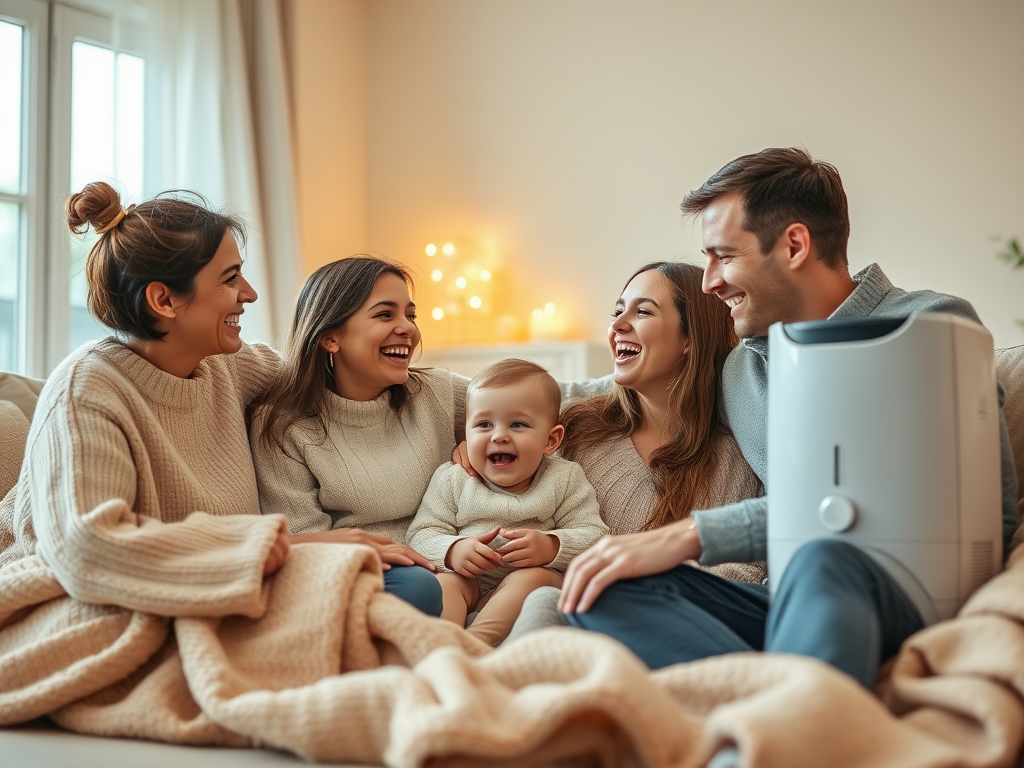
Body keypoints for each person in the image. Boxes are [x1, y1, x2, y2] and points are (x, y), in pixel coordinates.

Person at [558, 148, 1021, 694]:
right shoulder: (739, 369)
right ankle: (790, 704)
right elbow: (633, 385)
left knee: (824, 555)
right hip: (783, 607)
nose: (709, 282)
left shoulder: (928, 327)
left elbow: (886, 508)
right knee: (599, 586)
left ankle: (786, 717)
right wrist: (507, 417)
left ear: (795, 245)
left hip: (903, 595)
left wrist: (693, 535)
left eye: (723, 256)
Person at [0, 180, 289, 640]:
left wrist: (451, 419)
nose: (249, 294)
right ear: (163, 300)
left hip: (203, 586)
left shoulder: (226, 367)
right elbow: (87, 550)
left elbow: (327, 375)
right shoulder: (85, 390)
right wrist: (260, 546)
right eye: (231, 278)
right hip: (61, 607)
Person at [505, 262, 764, 642]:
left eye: (642, 311)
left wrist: (645, 582)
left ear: (691, 338)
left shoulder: (737, 454)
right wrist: (477, 449)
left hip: (674, 627)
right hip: (572, 624)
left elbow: (743, 574)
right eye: (617, 311)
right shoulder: (574, 431)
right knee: (545, 600)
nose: (618, 325)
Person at [407, 359, 608, 646]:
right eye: (484, 424)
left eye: (517, 424)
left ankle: (476, 644)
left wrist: (551, 546)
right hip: (472, 584)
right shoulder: (453, 479)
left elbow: (595, 535)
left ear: (550, 440)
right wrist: (453, 551)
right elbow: (420, 534)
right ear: (466, 434)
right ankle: (443, 646)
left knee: (533, 579)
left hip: (533, 583)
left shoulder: (564, 477)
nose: (499, 435)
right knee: (445, 584)